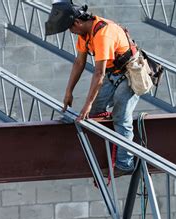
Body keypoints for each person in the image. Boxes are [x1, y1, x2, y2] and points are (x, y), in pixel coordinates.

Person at [45, 0, 139, 175]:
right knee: (94, 112)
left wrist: (86, 104)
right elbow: (79, 62)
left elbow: (99, 74)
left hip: (129, 76)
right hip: (112, 74)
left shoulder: (103, 34)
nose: (72, 33)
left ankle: (125, 164)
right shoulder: (84, 35)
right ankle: (107, 150)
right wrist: (68, 92)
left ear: (78, 23)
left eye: (71, 29)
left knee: (121, 116)